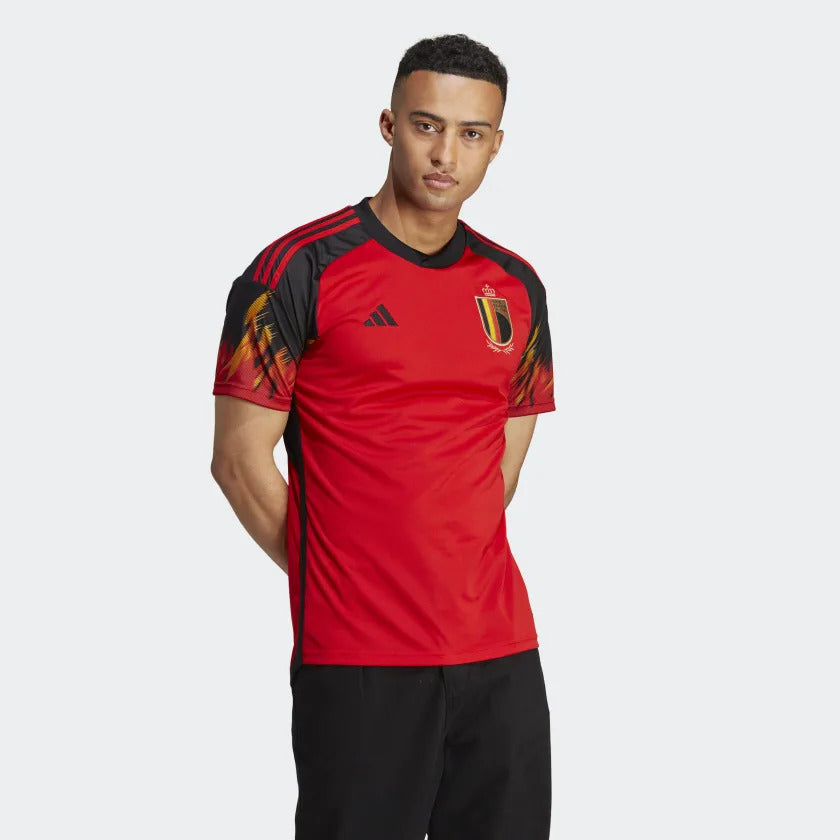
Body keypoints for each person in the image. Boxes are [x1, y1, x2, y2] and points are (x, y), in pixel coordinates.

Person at [211, 32, 555, 840]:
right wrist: (342, 574)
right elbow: (237, 460)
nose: (446, 154)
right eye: (426, 126)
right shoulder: (295, 269)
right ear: (389, 125)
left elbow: (499, 469)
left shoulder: (516, 287)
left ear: (496, 145)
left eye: (471, 133)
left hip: (499, 652)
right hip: (358, 659)